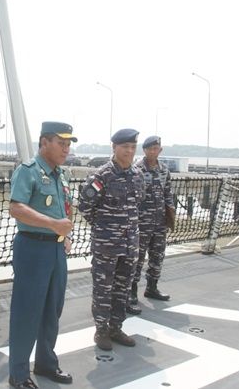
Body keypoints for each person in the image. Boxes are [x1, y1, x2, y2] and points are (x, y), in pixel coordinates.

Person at [7, 122, 75, 389]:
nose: (67, 149)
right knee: (27, 311)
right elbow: (16, 208)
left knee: (52, 310)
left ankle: (46, 362)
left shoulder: (61, 175)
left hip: (56, 249)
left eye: (69, 144)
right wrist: (52, 224)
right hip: (33, 247)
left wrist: (64, 234)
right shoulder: (28, 172)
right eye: (62, 143)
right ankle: (19, 373)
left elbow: (64, 209)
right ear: (45, 142)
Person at [78, 128, 145, 351]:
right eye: (125, 146)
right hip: (107, 244)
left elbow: (138, 204)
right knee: (103, 288)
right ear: (114, 147)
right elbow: (85, 206)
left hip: (130, 245)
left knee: (123, 288)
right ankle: (101, 330)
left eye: (133, 147)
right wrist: (105, 227)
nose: (129, 151)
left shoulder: (137, 175)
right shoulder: (102, 176)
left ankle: (116, 327)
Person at [128, 135, 175, 315]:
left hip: (160, 221)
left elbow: (168, 193)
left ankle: (152, 287)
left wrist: (170, 214)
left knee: (157, 256)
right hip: (142, 222)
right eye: (150, 149)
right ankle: (132, 292)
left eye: (156, 149)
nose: (153, 152)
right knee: (137, 259)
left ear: (160, 150)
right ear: (144, 150)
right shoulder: (137, 169)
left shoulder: (164, 170)